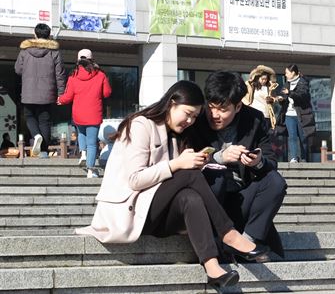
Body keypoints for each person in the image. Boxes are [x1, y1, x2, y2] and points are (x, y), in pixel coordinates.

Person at [75, 81, 267, 292]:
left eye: (194, 117)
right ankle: (228, 233)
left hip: (158, 213)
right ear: (172, 103)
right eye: (187, 113)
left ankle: (213, 268)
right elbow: (134, 180)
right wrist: (177, 164)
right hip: (130, 210)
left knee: (189, 198)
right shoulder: (141, 125)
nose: (190, 121)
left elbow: (174, 182)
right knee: (188, 174)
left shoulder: (177, 136)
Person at [186, 71, 287, 260]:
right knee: (215, 175)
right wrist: (219, 158)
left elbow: (270, 160)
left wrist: (258, 162)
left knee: (275, 182)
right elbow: (186, 163)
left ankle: (247, 242)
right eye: (211, 107)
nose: (214, 115)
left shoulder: (254, 120)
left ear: (238, 106)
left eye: (223, 110)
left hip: (242, 198)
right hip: (210, 199)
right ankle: (217, 241)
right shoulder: (195, 120)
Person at [57, 49, 112, 178]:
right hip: (94, 113)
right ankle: (91, 170)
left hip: (78, 113)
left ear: (78, 60)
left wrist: (60, 100)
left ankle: (83, 154)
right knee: (92, 143)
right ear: (92, 59)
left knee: (81, 132)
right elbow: (107, 93)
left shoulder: (73, 76)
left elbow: (68, 96)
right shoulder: (100, 75)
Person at [14, 23, 66, 157]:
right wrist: (61, 94)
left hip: (28, 93)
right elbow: (60, 75)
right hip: (47, 94)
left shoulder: (25, 51)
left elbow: (18, 70)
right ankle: (43, 152)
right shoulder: (54, 52)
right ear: (49, 35)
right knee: (45, 121)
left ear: (35, 34)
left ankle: (36, 135)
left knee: (30, 116)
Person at [275, 64, 315, 163]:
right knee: (292, 136)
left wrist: (290, 93)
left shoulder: (303, 82)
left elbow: (302, 96)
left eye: (287, 73)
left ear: (293, 73)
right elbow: (284, 96)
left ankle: (304, 157)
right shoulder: (287, 84)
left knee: (303, 138)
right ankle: (293, 157)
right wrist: (280, 99)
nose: (285, 75)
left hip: (301, 114)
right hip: (289, 114)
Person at [242, 65, 278, 132]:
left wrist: (272, 100)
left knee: (265, 133)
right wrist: (247, 104)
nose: (264, 81)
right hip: (254, 113)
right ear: (258, 78)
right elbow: (244, 97)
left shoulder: (270, 87)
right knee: (254, 132)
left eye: (266, 79)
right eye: (262, 79)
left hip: (266, 114)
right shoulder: (251, 86)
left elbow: (274, 98)